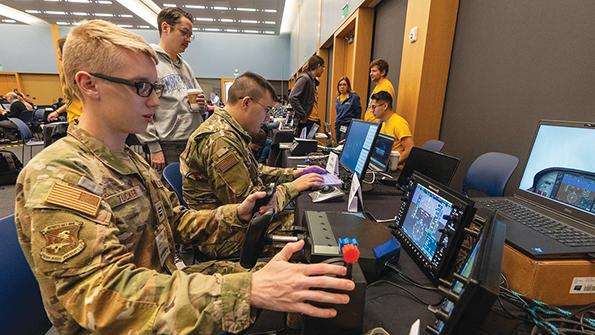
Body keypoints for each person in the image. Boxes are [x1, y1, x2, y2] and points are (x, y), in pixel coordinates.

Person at [15, 19, 354, 335]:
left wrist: (235, 213)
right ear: (89, 85)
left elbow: (175, 221)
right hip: (119, 321)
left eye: (157, 87)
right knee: (285, 289)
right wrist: (249, 289)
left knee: (307, 279)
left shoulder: (127, 157)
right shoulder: (60, 175)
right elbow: (102, 299)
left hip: (158, 288)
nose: (156, 100)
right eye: (142, 87)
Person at [180, 72, 324, 257]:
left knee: (307, 221)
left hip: (229, 223)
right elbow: (251, 207)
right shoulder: (220, 140)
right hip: (221, 235)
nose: (267, 118)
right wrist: (293, 187)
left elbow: (254, 170)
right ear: (246, 102)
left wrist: (293, 173)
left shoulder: (228, 130)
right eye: (266, 110)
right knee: (310, 233)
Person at [137, 7, 206, 171]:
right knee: (170, 193)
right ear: (166, 28)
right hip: (168, 145)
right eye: (184, 33)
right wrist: (154, 147)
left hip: (191, 141)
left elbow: (197, 99)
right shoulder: (149, 62)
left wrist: (201, 104)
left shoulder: (185, 66)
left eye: (190, 35)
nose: (188, 39)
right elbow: (139, 106)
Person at [47, 37, 84, 126]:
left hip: (80, 122)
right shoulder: (65, 72)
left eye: (58, 49)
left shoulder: (76, 73)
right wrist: (57, 112)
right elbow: (71, 101)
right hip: (73, 121)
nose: (57, 52)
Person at [370, 91, 414, 164]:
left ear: (385, 106)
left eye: (374, 107)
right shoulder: (381, 122)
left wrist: (393, 164)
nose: (372, 110)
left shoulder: (399, 123)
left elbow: (410, 148)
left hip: (393, 169)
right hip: (380, 162)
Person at [289, 54, 325, 135]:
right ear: (318, 66)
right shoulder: (305, 78)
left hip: (312, 121)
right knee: (304, 147)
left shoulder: (312, 80)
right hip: (306, 122)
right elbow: (292, 97)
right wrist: (303, 115)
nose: (323, 69)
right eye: (323, 67)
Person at [363, 58, 396, 123]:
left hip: (375, 125)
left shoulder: (386, 86)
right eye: (370, 71)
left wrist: (377, 125)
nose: (371, 73)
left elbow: (384, 110)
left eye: (374, 71)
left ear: (383, 72)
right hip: (370, 123)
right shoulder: (378, 86)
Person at [335, 76, 362, 141]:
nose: (342, 86)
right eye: (340, 85)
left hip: (348, 125)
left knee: (343, 143)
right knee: (338, 143)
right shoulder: (338, 98)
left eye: (344, 84)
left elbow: (358, 113)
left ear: (348, 86)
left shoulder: (354, 97)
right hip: (338, 125)